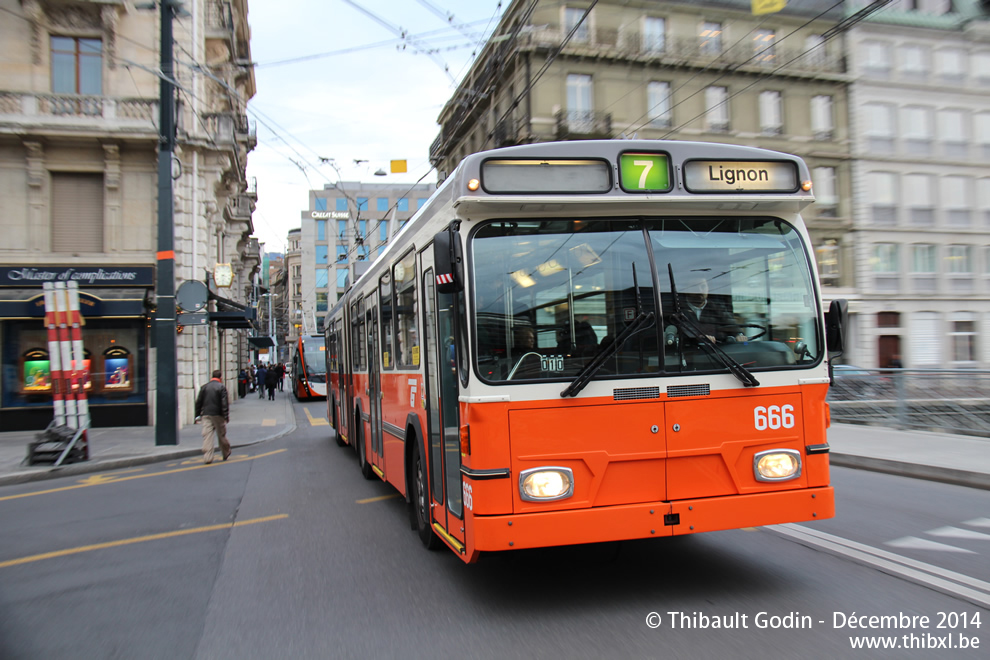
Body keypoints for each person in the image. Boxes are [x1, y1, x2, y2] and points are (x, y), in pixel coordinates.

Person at [679, 275, 742, 344]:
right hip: (688, 352)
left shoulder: (717, 308)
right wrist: (698, 338)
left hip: (716, 352)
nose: (700, 291)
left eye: (703, 286)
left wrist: (739, 335)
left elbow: (733, 326)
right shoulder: (678, 309)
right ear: (686, 289)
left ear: (708, 288)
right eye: (695, 286)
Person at [195, 369, 230, 464]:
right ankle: (225, 452)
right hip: (218, 414)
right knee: (221, 435)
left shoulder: (204, 387)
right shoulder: (221, 387)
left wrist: (197, 415)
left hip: (206, 414)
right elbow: (224, 403)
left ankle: (208, 457)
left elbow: (198, 402)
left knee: (207, 436)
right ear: (220, 377)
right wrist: (226, 416)